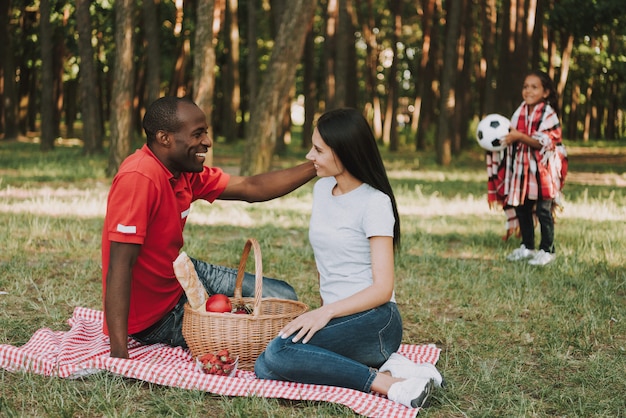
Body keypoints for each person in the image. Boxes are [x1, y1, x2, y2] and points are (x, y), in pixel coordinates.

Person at [254, 108, 442, 409]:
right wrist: (325, 310)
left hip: (376, 320)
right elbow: (326, 262)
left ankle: (387, 384)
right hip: (340, 317)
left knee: (277, 355)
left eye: (318, 149)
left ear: (344, 153)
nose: (308, 155)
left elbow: (382, 289)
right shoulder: (321, 190)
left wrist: (325, 314)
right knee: (265, 368)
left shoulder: (375, 203)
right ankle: (398, 370)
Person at [102, 96, 317, 359]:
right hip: (154, 318)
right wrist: (119, 354)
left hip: (180, 277)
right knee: (273, 334)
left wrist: (317, 165)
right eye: (198, 134)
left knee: (282, 296)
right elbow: (119, 266)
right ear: (164, 137)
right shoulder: (139, 178)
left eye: (206, 132)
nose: (207, 141)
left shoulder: (184, 171)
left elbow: (252, 187)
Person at [489, 70, 567, 266]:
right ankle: (528, 246)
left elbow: (545, 142)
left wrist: (519, 137)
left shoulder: (548, 113)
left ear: (546, 92)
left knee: (543, 210)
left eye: (534, 87)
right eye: (525, 86)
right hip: (522, 171)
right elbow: (510, 133)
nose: (528, 90)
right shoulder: (521, 111)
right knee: (522, 208)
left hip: (543, 172)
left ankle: (547, 249)